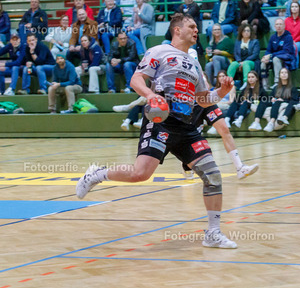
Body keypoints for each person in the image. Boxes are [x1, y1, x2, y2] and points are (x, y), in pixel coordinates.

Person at [75, 13, 239, 249]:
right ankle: (97, 174)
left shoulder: (194, 64)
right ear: (177, 30)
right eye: (192, 26)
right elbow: (136, 79)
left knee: (213, 175)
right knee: (140, 174)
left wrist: (222, 92)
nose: (196, 30)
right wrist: (151, 95)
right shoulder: (159, 52)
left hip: (187, 126)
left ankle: (213, 233)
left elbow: (203, 100)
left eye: (197, 27)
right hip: (161, 121)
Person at [261, 18, 297, 90]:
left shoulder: (288, 37)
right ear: (275, 26)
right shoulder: (273, 37)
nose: (279, 26)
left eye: (280, 24)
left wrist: (271, 55)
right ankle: (265, 85)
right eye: (277, 24)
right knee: (263, 63)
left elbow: (286, 51)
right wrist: (265, 57)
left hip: (287, 59)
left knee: (275, 59)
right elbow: (269, 50)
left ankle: (277, 82)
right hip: (274, 57)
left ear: (284, 26)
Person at [261, 67, 298, 133]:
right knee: (268, 103)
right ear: (279, 75)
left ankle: (271, 122)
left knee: (278, 102)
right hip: (275, 108)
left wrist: (283, 100)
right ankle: (270, 122)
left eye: (286, 73)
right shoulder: (276, 88)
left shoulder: (293, 88)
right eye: (282, 73)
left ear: (288, 75)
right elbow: (270, 98)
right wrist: (272, 99)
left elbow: (294, 101)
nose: (284, 74)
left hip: (285, 107)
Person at [227, 23, 259, 88]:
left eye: (248, 31)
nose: (246, 32)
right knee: (233, 64)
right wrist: (239, 61)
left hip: (252, 61)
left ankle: (246, 83)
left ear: (250, 32)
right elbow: (236, 53)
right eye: (244, 31)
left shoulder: (255, 41)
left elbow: (255, 54)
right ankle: (228, 82)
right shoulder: (238, 41)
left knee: (246, 63)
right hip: (240, 61)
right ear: (241, 32)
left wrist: (243, 62)